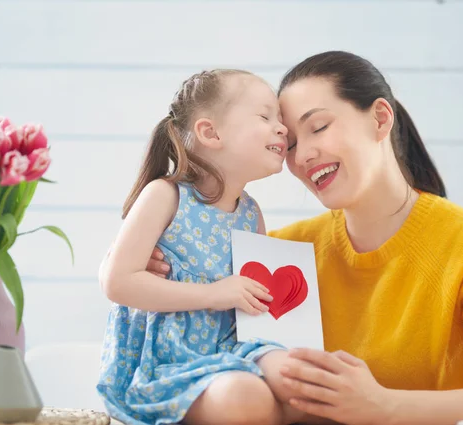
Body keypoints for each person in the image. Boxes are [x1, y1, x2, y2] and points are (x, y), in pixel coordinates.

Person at [145, 51, 463, 425]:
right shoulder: (278, 252)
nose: (301, 157)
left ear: (380, 118)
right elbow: (195, 349)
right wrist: (157, 260)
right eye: (291, 144)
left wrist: (386, 406)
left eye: (318, 127)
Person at [97, 68, 333, 425]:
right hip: (169, 364)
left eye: (280, 120)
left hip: (233, 349)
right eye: (265, 116)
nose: (283, 128)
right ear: (210, 132)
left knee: (304, 379)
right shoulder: (165, 196)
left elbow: (257, 307)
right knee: (245, 396)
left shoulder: (251, 214)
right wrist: (215, 293)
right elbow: (118, 283)